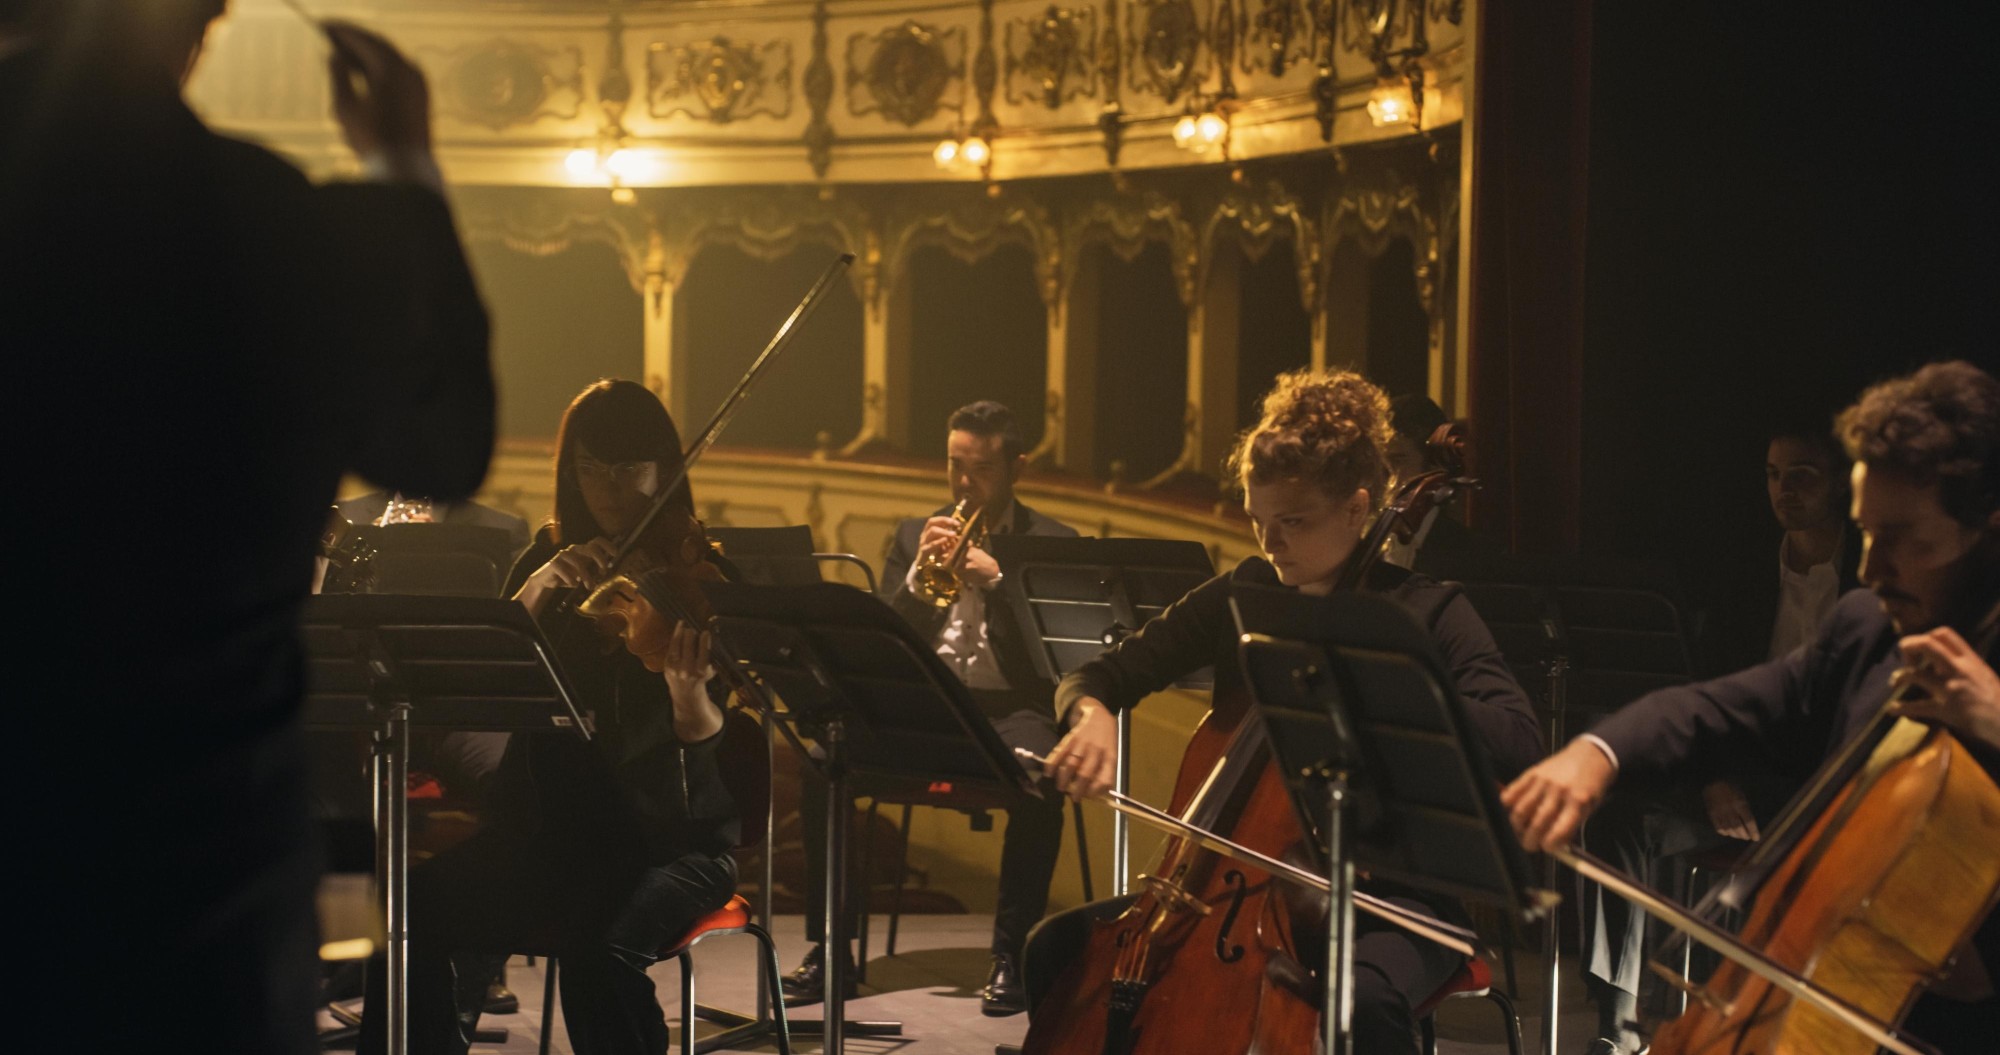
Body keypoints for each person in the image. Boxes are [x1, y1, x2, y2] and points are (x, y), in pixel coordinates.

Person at [4, 2, 493, 1051]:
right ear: (199, 25)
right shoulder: (268, 217)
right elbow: (444, 445)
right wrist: (403, 172)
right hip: (196, 860)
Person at [1032, 370, 1544, 1054]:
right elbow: (1100, 674)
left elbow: (1520, 739)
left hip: (1395, 900)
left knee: (1360, 1000)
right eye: (1258, 521)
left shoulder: (1430, 611)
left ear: (1357, 509)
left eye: (1293, 522)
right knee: (1055, 949)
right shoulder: (1245, 595)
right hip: (1232, 893)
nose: (1270, 543)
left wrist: (1397, 685)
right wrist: (1090, 711)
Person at [1505, 360, 2000, 1053]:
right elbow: (1720, 709)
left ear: (1985, 529)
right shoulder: (1868, 630)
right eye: (1867, 532)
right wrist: (1597, 753)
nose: (1870, 568)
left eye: (1903, 538)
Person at [358, 379, 740, 1055]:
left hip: (670, 843)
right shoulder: (548, 561)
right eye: (590, 468)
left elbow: (708, 759)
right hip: (553, 831)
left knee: (599, 950)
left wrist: (690, 700)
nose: (607, 489)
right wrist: (534, 593)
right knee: (407, 910)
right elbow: (479, 688)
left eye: (627, 469)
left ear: (664, 470)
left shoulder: (700, 579)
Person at [785, 400, 1078, 1015]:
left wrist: (998, 580)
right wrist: (919, 581)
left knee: (1044, 777)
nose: (964, 484)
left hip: (1012, 709)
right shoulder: (912, 533)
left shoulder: (1055, 544)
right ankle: (833, 948)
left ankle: (1010, 954)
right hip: (925, 706)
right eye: (954, 466)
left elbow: (1055, 659)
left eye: (982, 470)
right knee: (821, 762)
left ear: (1017, 468)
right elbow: (883, 642)